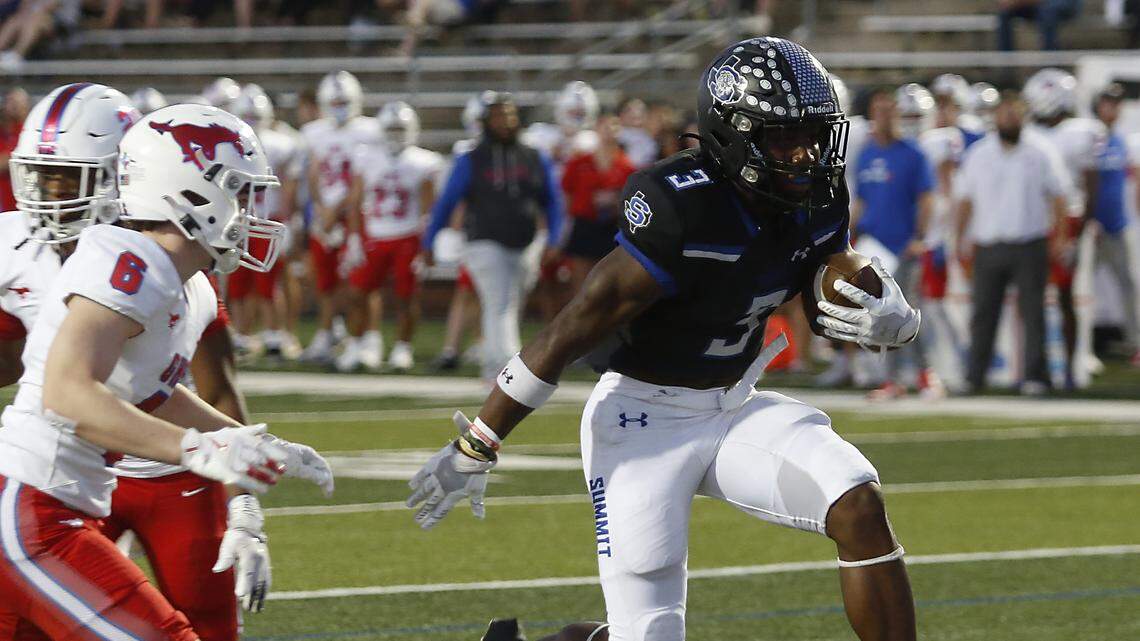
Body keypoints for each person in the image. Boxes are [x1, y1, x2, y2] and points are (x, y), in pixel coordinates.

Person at [409, 37, 920, 641]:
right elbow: (576, 325)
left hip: (733, 405)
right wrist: (478, 442)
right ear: (736, 137)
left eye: (813, 134)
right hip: (641, 420)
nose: (807, 155)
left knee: (857, 501)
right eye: (786, 139)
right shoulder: (681, 205)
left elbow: (818, 283)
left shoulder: (818, 193)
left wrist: (884, 315)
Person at [0, 102, 331, 639]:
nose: (251, 211)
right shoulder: (129, 260)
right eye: (240, 192)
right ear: (194, 192)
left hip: (52, 508)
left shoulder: (184, 282)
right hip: (32, 511)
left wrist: (249, 442)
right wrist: (199, 451)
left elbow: (147, 393)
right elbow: (67, 391)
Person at [420, 91, 564, 381]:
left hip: (525, 241)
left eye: (509, 116)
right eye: (498, 116)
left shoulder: (534, 157)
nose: (505, 122)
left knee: (512, 304)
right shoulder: (471, 159)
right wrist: (430, 239)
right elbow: (447, 201)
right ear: (485, 121)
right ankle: (512, 371)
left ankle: (493, 367)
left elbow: (552, 200)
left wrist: (554, 239)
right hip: (483, 239)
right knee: (500, 302)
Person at [955, 90, 1070, 395]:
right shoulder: (979, 153)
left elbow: (1059, 197)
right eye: (1005, 113)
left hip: (1030, 242)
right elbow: (965, 201)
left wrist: (1060, 236)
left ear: (1024, 116)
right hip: (988, 243)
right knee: (982, 314)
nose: (1010, 118)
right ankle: (975, 376)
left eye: (1015, 113)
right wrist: (959, 238)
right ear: (995, 117)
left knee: (1034, 313)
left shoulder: (1041, 151)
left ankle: (1035, 376)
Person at [339, 101, 443, 372]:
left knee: (406, 297)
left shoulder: (423, 161)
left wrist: (427, 244)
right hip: (374, 234)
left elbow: (429, 208)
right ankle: (357, 344)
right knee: (357, 293)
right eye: (392, 129)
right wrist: (353, 238)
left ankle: (402, 347)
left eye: (401, 129)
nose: (396, 134)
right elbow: (355, 201)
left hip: (407, 236)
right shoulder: (367, 157)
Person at [1023, 67, 1108, 388]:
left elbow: (1091, 187)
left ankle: (1071, 368)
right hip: (1032, 220)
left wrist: (1080, 231)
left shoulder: (1081, 132)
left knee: (1065, 297)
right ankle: (1037, 368)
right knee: (1032, 299)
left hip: (1067, 221)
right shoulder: (1029, 133)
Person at [851, 85, 936, 400]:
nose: (885, 117)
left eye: (890, 111)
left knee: (907, 311)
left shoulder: (913, 153)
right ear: (873, 115)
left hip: (903, 244)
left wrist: (919, 238)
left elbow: (927, 199)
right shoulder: (867, 153)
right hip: (875, 244)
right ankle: (892, 378)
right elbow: (861, 200)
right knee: (882, 314)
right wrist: (851, 233)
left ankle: (925, 374)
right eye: (880, 111)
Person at [300, 71, 377, 364]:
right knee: (325, 279)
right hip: (326, 216)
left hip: (358, 216)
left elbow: (367, 177)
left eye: (344, 100)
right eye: (334, 101)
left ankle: (369, 337)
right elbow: (314, 174)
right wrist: (321, 209)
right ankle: (327, 333)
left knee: (361, 281)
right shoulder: (315, 132)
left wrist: (339, 208)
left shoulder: (370, 130)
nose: (339, 106)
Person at [228, 84, 304, 361]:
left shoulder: (280, 143)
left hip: (266, 221)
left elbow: (288, 186)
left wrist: (288, 220)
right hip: (237, 219)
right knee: (237, 281)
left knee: (267, 282)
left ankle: (275, 333)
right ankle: (241, 334)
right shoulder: (228, 144)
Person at [1089, 83, 1140, 365]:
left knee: (1128, 286)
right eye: (1109, 102)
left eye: (1117, 104)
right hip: (1091, 228)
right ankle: (1080, 350)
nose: (1114, 108)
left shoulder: (1122, 141)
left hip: (1117, 226)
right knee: (1081, 292)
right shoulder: (1088, 138)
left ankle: (1136, 343)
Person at [560, 112, 635, 293]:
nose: (611, 131)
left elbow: (631, 198)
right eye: (606, 126)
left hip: (611, 225)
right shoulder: (579, 162)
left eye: (615, 126)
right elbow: (567, 192)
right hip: (584, 223)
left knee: (610, 279)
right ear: (597, 129)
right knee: (580, 278)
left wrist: (615, 201)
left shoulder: (626, 165)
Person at [997, 0, 1084, 51]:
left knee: (1047, 13)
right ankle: (1005, 65)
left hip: (1063, 3)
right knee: (1005, 14)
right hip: (1038, 7)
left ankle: (1050, 64)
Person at [0, 87, 28, 212]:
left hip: (25, 204)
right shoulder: (3, 133)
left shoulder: (30, 132)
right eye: (11, 102)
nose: (14, 107)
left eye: (18, 103)